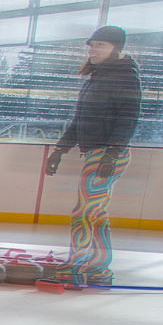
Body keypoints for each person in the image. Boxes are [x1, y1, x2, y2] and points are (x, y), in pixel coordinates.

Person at [45, 25, 141, 286]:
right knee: (95, 213)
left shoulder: (125, 76)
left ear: (116, 48)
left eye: (101, 45)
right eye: (91, 44)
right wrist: (60, 149)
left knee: (83, 212)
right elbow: (79, 120)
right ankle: (98, 268)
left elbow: (128, 119)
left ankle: (77, 266)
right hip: (96, 152)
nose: (93, 49)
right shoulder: (97, 77)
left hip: (108, 153)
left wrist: (111, 154)